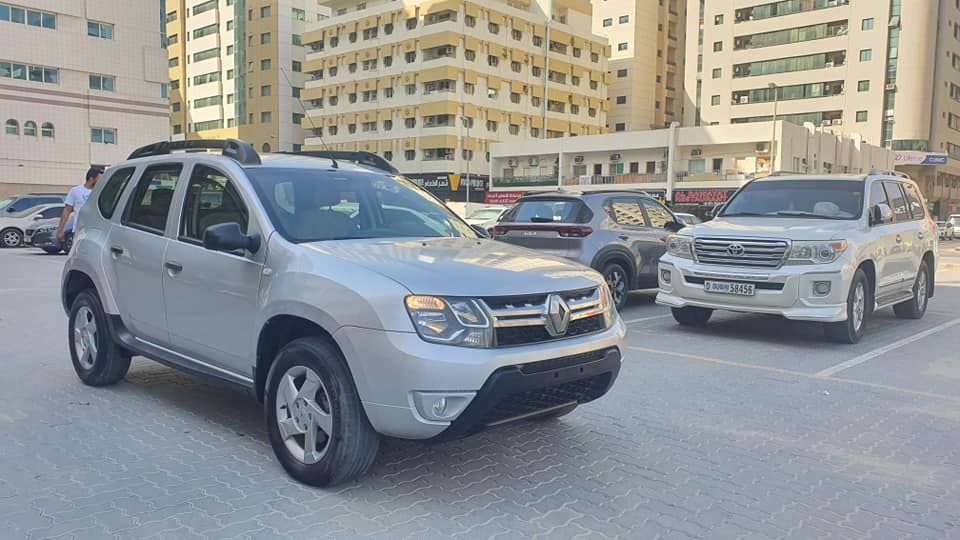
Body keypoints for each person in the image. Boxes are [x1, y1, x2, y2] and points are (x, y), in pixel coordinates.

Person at [57, 166, 103, 246]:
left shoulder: (101, 192)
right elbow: (66, 211)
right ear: (91, 179)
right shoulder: (75, 191)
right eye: (99, 179)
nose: (101, 181)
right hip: (79, 231)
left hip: (96, 232)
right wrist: (60, 230)